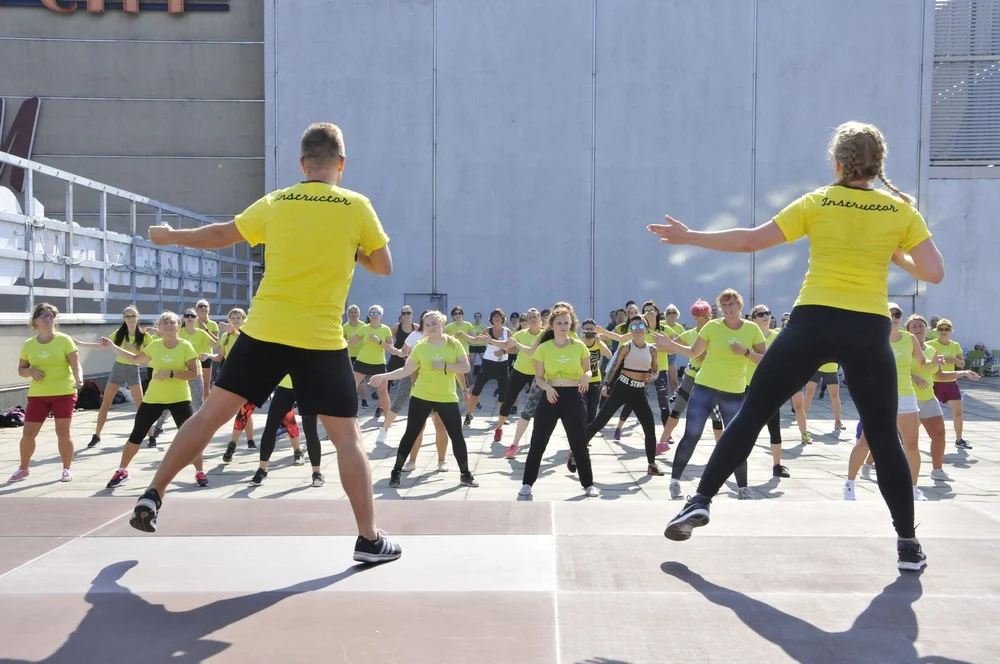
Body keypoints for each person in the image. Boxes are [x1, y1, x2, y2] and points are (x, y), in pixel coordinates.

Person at [650, 121, 944, 572]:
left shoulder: (817, 201)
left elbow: (750, 240)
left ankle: (700, 500)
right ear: (879, 164)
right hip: (868, 328)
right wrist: (896, 254)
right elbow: (933, 272)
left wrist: (690, 237)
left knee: (753, 413)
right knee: (884, 437)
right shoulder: (900, 211)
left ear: (837, 163)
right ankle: (907, 544)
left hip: (812, 322)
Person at [130, 121, 401, 563]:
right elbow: (383, 265)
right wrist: (349, 247)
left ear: (302, 163)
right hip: (319, 338)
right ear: (341, 164)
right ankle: (368, 540)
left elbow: (220, 235)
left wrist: (170, 236)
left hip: (264, 330)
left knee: (210, 415)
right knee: (347, 439)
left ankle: (153, 492)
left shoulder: (277, 201)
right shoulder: (356, 205)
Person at [655, 289, 765, 500]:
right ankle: (674, 482)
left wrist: (746, 352)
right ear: (720, 308)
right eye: (724, 305)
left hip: (733, 392)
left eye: (732, 304)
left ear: (739, 305)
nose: (728, 309)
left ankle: (743, 487)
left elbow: (765, 359)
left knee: (736, 440)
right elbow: (694, 353)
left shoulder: (752, 329)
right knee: (692, 435)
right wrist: (670, 345)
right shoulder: (712, 327)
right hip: (704, 388)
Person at [370, 311, 479, 489]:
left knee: (457, 436)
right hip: (421, 396)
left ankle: (465, 474)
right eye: (427, 324)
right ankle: (396, 472)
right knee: (411, 433)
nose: (431, 326)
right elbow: (405, 370)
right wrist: (383, 376)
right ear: (424, 328)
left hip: (446, 397)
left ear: (442, 323)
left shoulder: (454, 343)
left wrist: (445, 366)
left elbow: (465, 367)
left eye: (434, 323)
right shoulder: (420, 346)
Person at [102, 311, 208, 489]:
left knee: (191, 437)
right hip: (153, 399)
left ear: (178, 326)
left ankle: (200, 472)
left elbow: (193, 373)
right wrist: (112, 346)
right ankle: (122, 471)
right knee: (137, 435)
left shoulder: (186, 346)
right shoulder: (155, 345)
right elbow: (134, 359)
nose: (168, 325)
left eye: (172, 322)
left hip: (180, 399)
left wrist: (171, 373)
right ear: (159, 328)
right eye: (164, 323)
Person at [518, 304, 598, 498]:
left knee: (579, 443)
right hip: (550, 396)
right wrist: (547, 388)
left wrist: (586, 376)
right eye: (559, 323)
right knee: (538, 442)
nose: (563, 326)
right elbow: (539, 378)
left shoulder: (579, 346)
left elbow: (588, 370)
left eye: (566, 323)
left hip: (573, 396)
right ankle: (527, 483)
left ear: (571, 325)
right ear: (552, 325)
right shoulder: (543, 348)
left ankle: (588, 484)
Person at [7, 303, 82, 483]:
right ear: (35, 321)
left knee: (63, 433)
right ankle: (23, 468)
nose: (48, 319)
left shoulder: (65, 340)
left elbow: (76, 364)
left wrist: (79, 379)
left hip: (64, 392)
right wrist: (30, 371)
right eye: (44, 316)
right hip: (38, 395)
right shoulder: (29, 344)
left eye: (51, 316)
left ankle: (66, 469)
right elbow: (21, 370)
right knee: (28, 433)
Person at [582, 315, 661, 476]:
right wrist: (606, 384)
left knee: (649, 427)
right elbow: (613, 367)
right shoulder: (626, 347)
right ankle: (577, 452)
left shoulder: (652, 350)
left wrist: (652, 377)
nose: (637, 329)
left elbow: (655, 371)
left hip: (639, 391)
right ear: (630, 330)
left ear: (646, 328)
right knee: (599, 422)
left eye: (641, 326)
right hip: (622, 388)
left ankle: (651, 464)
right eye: (634, 326)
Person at [77, 305, 149, 449]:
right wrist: (80, 343)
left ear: (138, 317)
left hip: (133, 370)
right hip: (118, 368)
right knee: (106, 403)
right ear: (124, 319)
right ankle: (97, 435)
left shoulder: (144, 336)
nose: (131, 319)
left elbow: (153, 352)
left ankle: (150, 435)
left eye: (133, 316)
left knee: (140, 405)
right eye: (127, 316)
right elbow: (102, 346)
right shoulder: (119, 333)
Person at [246, 375, 325, 488]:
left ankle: (317, 474)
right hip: (285, 385)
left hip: (307, 386)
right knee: (270, 427)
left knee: (310, 431)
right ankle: (262, 470)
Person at [745, 305, 789, 477]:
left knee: (774, 426)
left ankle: (777, 465)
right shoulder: (749, 336)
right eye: (761, 314)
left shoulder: (778, 337)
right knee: (746, 427)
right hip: (747, 385)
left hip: (770, 387)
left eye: (768, 313)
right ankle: (736, 461)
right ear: (753, 318)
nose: (766, 316)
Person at [927, 319, 970, 449]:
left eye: (947, 329)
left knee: (958, 413)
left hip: (951, 382)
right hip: (934, 382)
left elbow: (962, 364)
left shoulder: (955, 345)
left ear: (951, 331)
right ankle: (907, 437)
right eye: (941, 329)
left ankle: (959, 439)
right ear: (936, 331)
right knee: (923, 413)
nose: (944, 331)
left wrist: (954, 359)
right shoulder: (930, 344)